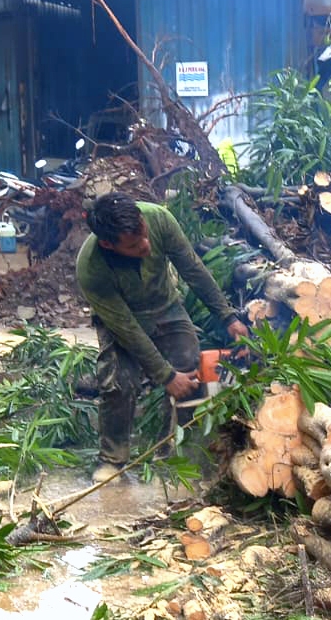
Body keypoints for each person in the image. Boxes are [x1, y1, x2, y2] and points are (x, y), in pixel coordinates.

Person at [76, 192, 249, 483]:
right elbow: (128, 329)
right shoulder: (92, 268)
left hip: (165, 306)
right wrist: (165, 376)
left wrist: (227, 316)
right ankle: (112, 459)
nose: (145, 245)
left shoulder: (159, 219)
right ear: (108, 244)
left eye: (144, 235)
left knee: (188, 365)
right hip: (122, 319)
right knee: (118, 382)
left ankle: (174, 449)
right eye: (134, 245)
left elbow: (193, 269)